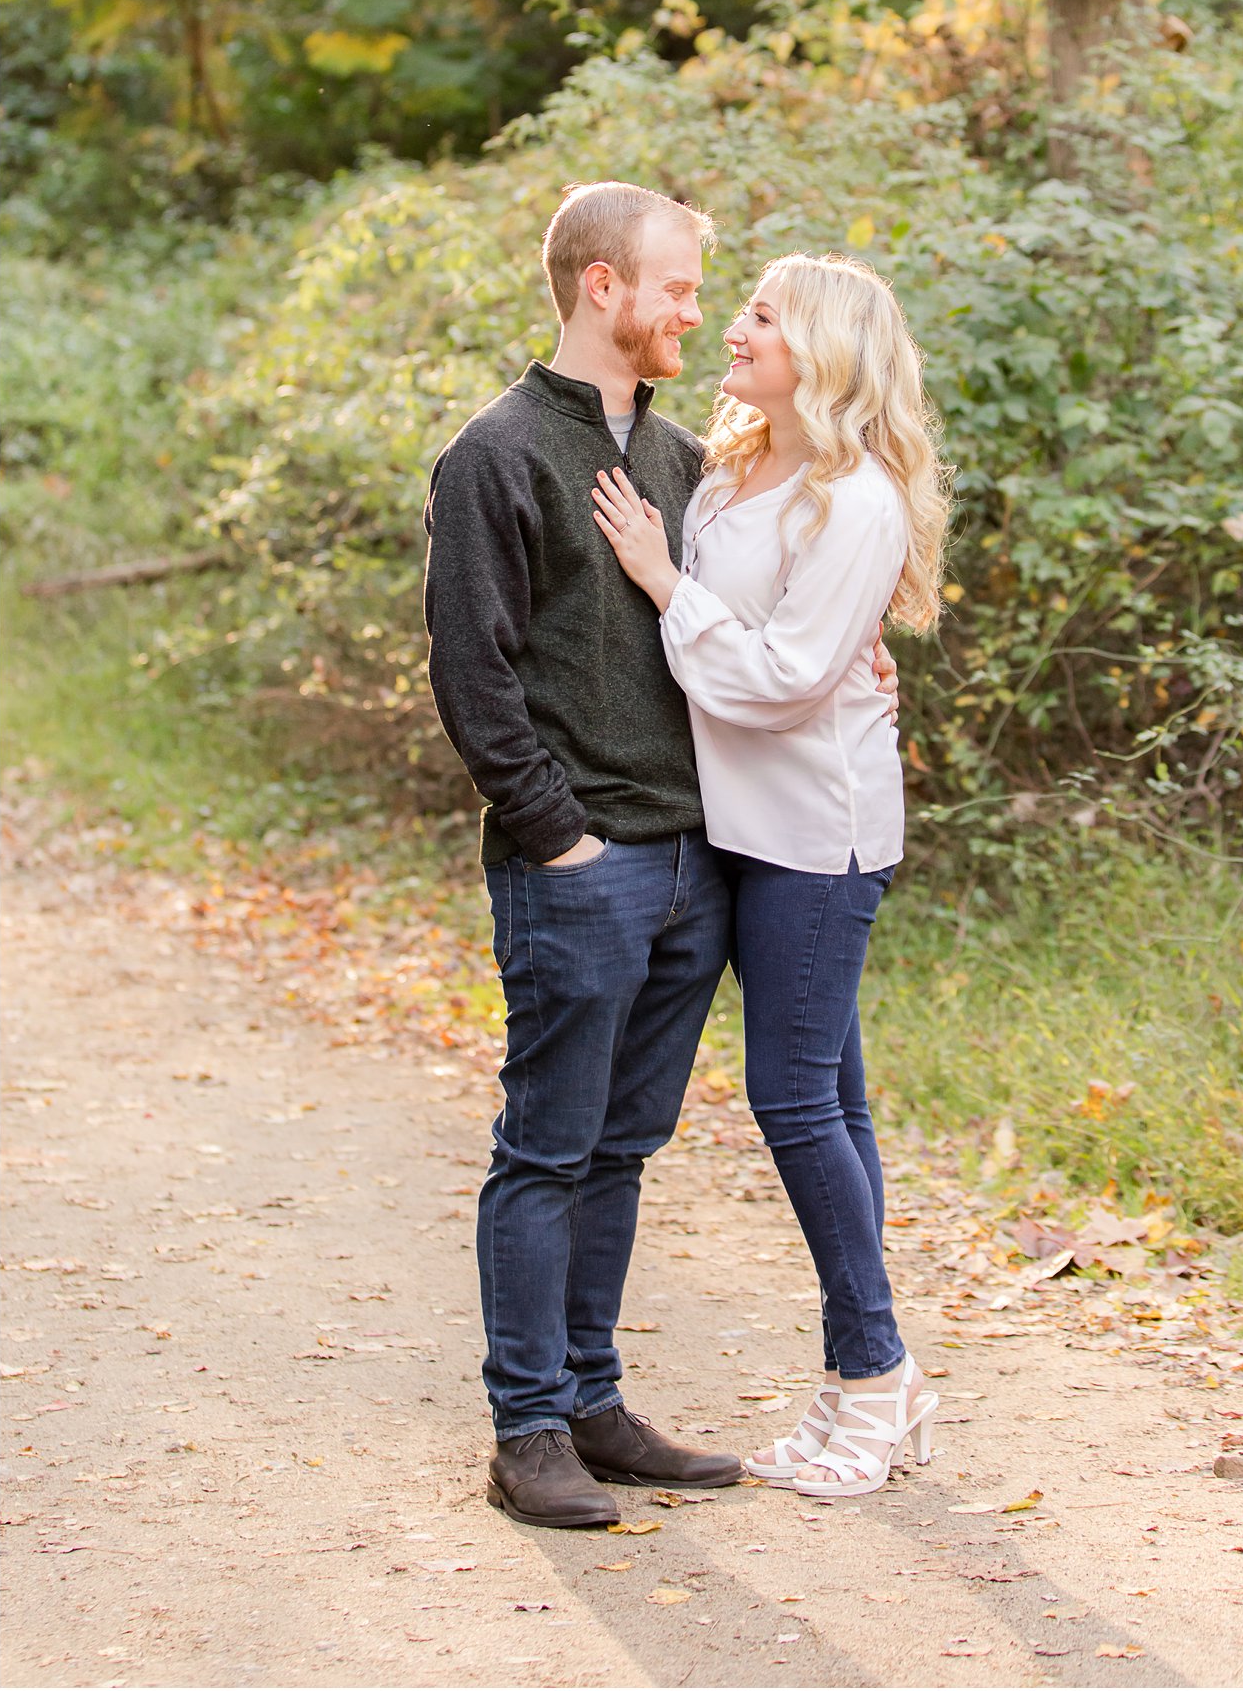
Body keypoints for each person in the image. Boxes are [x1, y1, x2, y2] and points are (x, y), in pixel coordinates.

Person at [422, 183, 897, 1530]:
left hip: (700, 862)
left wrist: (861, 676)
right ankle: (526, 1429)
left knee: (624, 1147)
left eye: (706, 292)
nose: (697, 308)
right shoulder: (496, 456)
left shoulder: (691, 460)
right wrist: (557, 837)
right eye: (678, 288)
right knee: (548, 1146)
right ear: (600, 290)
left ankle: (594, 1400)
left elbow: (757, 625)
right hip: (582, 865)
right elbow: (476, 676)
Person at [590, 251, 951, 1501]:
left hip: (816, 837)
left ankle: (871, 1376)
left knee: (795, 1103)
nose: (728, 330)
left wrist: (662, 582)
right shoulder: (734, 465)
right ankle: (874, 1381)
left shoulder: (858, 504)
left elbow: (780, 676)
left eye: (757, 316)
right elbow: (763, 657)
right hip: (737, 823)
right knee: (832, 1101)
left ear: (825, 351)